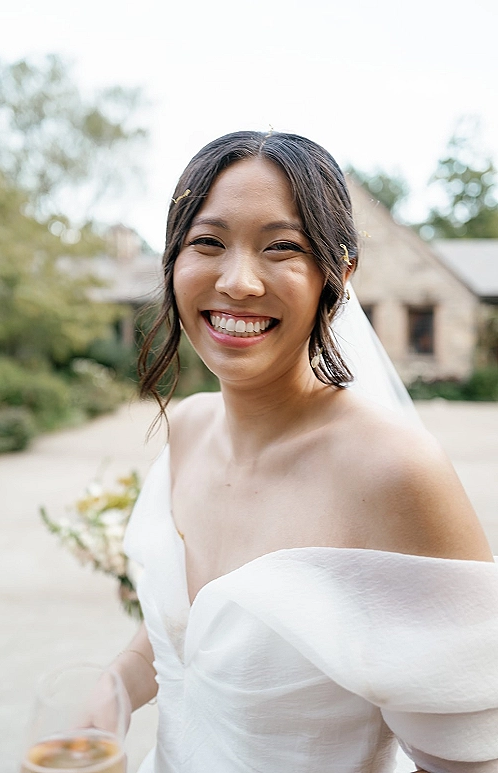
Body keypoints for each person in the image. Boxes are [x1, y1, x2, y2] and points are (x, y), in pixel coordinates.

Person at [109, 132, 498, 772]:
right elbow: (182, 631)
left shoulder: (394, 472)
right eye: (207, 243)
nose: (237, 281)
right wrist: (112, 692)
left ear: (337, 276)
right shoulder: (186, 429)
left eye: (282, 247)